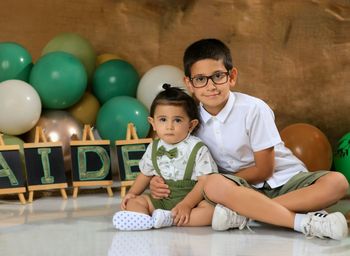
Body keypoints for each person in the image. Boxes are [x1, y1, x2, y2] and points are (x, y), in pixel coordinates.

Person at [150, 38, 349, 240]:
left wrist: (238, 198)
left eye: (218, 76)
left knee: (337, 182)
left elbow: (265, 170)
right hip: (237, 190)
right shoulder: (188, 120)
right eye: (200, 79)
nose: (210, 86)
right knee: (212, 183)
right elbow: (180, 159)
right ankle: (302, 221)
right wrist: (158, 181)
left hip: (284, 181)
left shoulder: (253, 109)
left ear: (232, 76)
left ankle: (246, 215)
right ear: (189, 84)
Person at [113, 83, 218, 231]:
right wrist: (132, 193)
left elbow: (204, 182)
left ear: (191, 125)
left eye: (177, 120)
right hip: (161, 199)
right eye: (163, 120)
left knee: (209, 212)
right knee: (135, 202)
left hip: (192, 199)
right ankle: (144, 219)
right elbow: (145, 175)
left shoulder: (197, 148)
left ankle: (169, 219)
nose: (169, 126)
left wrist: (186, 204)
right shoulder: (154, 147)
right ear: (153, 123)